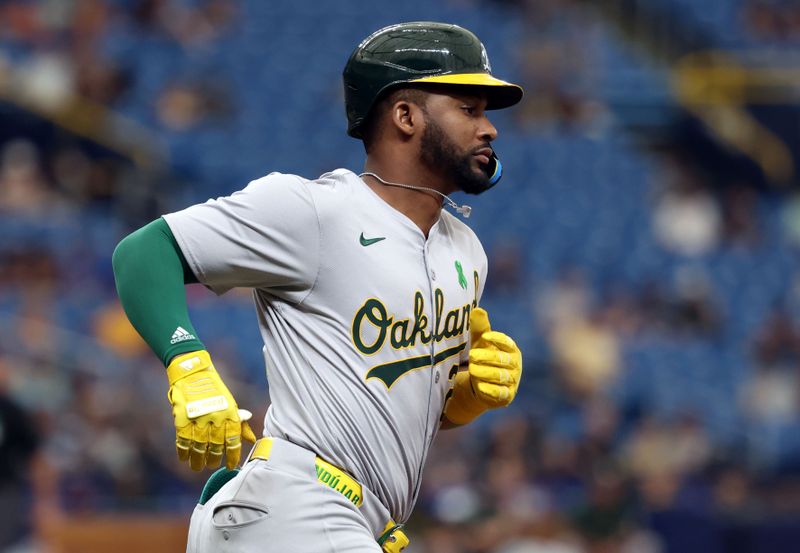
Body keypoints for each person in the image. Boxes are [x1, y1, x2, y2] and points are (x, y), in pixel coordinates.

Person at [113, 21, 524, 553]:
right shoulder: (315, 211)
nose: (488, 128)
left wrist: (459, 400)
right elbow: (144, 252)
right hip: (296, 505)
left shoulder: (466, 251)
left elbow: (381, 402)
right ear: (405, 115)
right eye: (468, 109)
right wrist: (188, 365)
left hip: (348, 521)